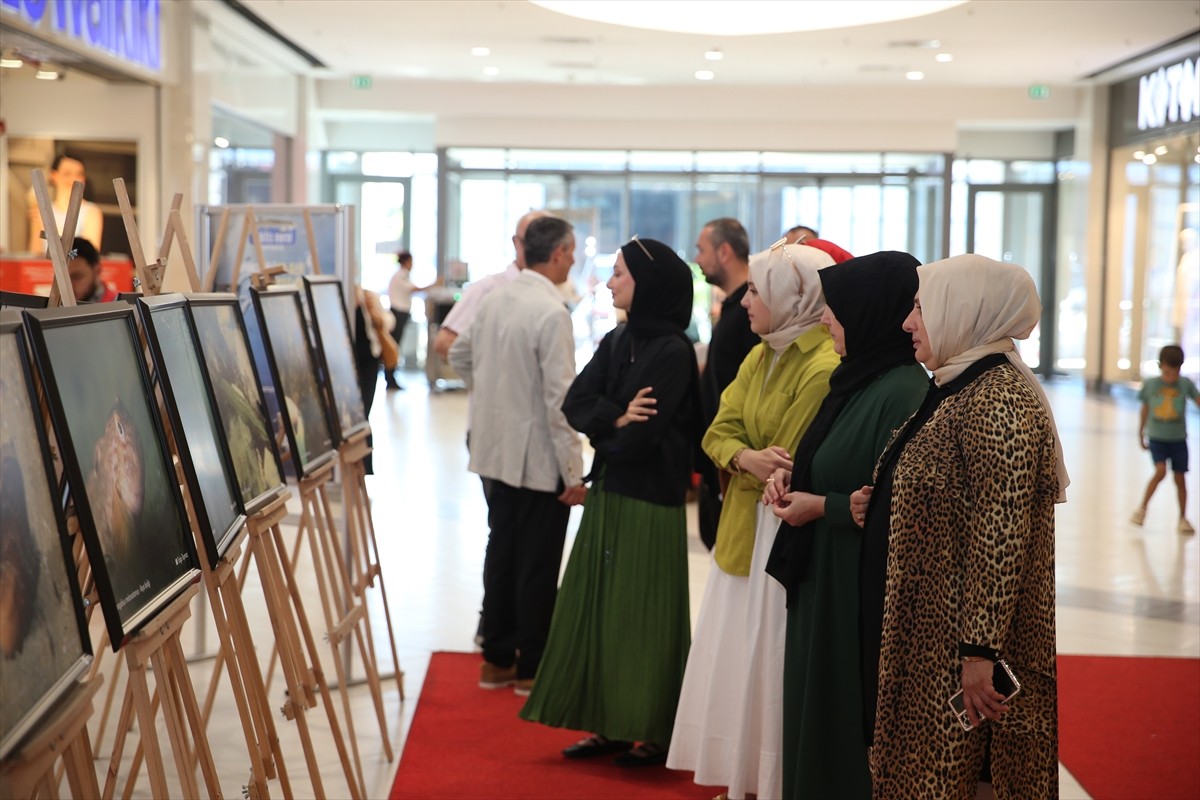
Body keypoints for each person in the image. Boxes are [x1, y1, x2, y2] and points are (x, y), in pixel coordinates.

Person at [850, 254, 1069, 799]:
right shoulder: (957, 382)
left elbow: (1002, 533)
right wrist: (881, 502)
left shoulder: (999, 398)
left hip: (957, 650)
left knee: (953, 780)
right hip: (932, 636)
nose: (908, 323)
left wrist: (978, 653)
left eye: (921, 307)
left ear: (962, 309)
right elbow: (944, 487)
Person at [667, 241, 841, 798]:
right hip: (745, 528)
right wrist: (743, 456)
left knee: (764, 666)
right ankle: (741, 778)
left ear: (794, 297)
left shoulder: (821, 366)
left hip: (778, 537)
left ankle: (767, 782)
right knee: (734, 663)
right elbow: (717, 430)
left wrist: (743, 456)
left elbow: (787, 463)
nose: (746, 301)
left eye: (759, 290)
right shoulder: (763, 352)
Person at [520, 236, 699, 768]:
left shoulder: (672, 351)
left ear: (650, 285)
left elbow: (642, 441)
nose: (609, 281)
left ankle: (651, 729)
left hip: (651, 501)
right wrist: (617, 417)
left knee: (641, 617)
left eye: (619, 273)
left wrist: (609, 427)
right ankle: (610, 723)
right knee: (601, 611)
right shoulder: (620, 341)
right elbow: (574, 403)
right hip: (613, 494)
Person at [761, 251, 929, 799]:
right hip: (823, 571)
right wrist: (791, 481)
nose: (828, 320)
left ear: (870, 313)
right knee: (813, 706)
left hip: (853, 583)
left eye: (837, 311)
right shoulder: (857, 379)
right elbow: (832, 466)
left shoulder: (903, 391)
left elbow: (888, 503)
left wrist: (820, 507)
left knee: (838, 713)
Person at [447, 215, 586, 695]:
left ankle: (497, 660)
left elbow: (458, 357)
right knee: (538, 562)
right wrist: (574, 471)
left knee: (501, 550)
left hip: (493, 450)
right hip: (538, 457)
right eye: (573, 251)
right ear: (561, 252)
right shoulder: (552, 312)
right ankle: (532, 667)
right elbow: (559, 402)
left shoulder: (495, 298)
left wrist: (495, 397)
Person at [694, 218, 761, 551]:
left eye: (701, 249)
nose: (697, 259)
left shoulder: (749, 316)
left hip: (733, 465)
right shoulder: (734, 310)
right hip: (719, 456)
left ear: (724, 251)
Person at [431, 210, 549, 361]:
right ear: (516, 243)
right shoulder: (489, 288)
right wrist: (492, 371)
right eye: (531, 242)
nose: (539, 251)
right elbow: (444, 342)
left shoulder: (549, 292)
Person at [1131, 344, 1199, 533]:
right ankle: (1142, 509)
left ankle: (1183, 518)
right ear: (1161, 366)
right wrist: (1141, 432)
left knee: (1180, 478)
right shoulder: (1151, 384)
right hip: (1157, 438)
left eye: (1176, 372)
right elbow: (1145, 409)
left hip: (1178, 440)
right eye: (1168, 372)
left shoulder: (1185, 384)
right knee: (1160, 471)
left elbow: (1197, 400)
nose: (1171, 377)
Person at [352, 286, 396, 474]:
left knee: (363, 416)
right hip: (344, 366)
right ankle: (357, 468)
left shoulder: (367, 296)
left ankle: (365, 469)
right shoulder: (334, 295)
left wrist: (373, 311)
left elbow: (389, 321)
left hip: (368, 364)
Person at [385, 250, 438, 390]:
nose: (412, 265)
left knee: (396, 345)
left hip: (401, 313)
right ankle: (389, 378)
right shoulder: (400, 276)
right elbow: (415, 289)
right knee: (394, 346)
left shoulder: (403, 276)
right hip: (397, 313)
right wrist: (434, 284)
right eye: (411, 262)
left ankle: (391, 377)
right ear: (406, 262)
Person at [29, 154, 104, 252]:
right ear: (53, 176)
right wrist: (36, 225)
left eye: (79, 174)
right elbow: (34, 255)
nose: (73, 178)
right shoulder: (42, 212)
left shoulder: (91, 212)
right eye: (67, 173)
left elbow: (89, 256)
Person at [67, 238, 118, 303]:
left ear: (97, 271)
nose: (69, 285)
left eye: (77, 277)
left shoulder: (121, 306)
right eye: (62, 279)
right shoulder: (54, 307)